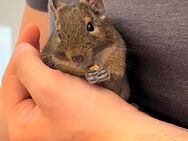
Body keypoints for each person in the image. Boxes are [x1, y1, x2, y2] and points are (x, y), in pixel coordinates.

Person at [0, 0, 187, 140]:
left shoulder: (111, 44)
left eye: (89, 27)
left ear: (98, 8)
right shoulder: (58, 53)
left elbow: (117, 75)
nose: (76, 53)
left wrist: (119, 131)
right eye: (60, 34)